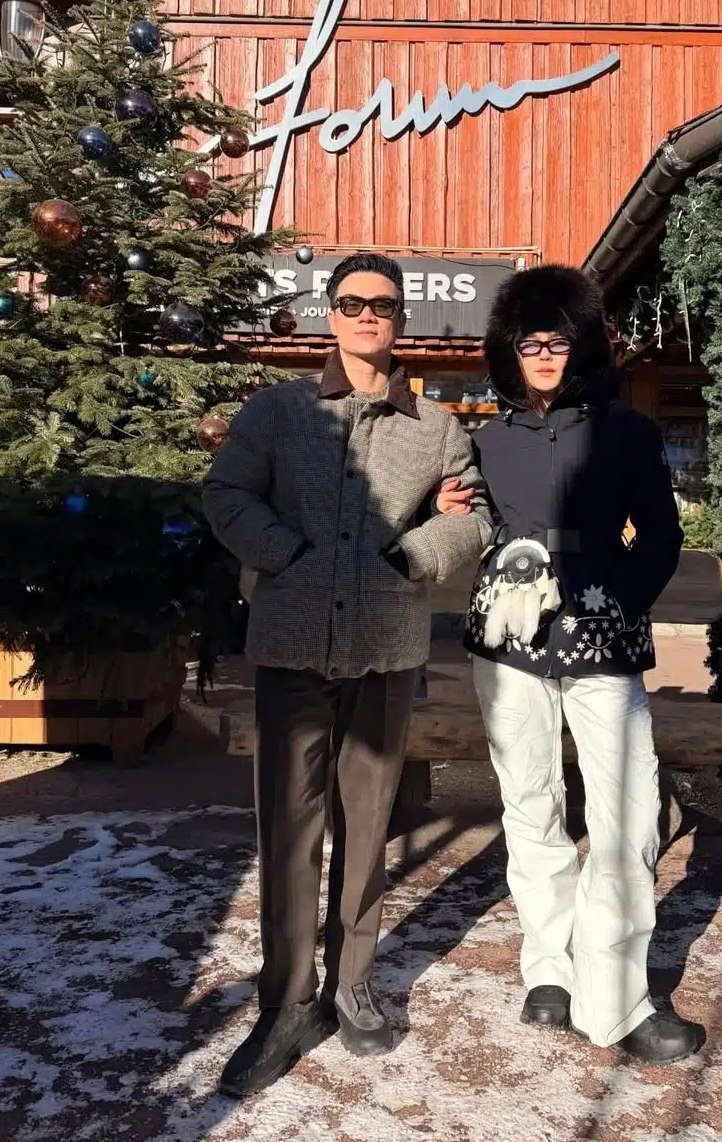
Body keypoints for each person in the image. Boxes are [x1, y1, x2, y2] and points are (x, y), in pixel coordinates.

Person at [203, 252, 492, 1097]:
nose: (369, 315)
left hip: (386, 650)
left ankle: (353, 983)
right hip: (292, 647)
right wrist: (286, 553)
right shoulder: (281, 411)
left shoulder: (436, 427)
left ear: (403, 321)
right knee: (289, 831)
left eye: (385, 305)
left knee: (369, 826)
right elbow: (226, 496)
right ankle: (287, 1001)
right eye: (353, 301)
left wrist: (412, 554)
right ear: (331, 314)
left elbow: (472, 515)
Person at [437, 264, 703, 1065]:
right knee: (528, 801)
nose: (544, 354)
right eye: (529, 342)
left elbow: (659, 537)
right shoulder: (485, 440)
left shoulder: (626, 431)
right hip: (509, 638)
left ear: (580, 343)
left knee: (627, 810)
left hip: (603, 636)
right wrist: (446, 511)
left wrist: (612, 599)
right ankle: (547, 972)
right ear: (507, 351)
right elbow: (461, 517)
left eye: (557, 339)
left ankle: (616, 998)